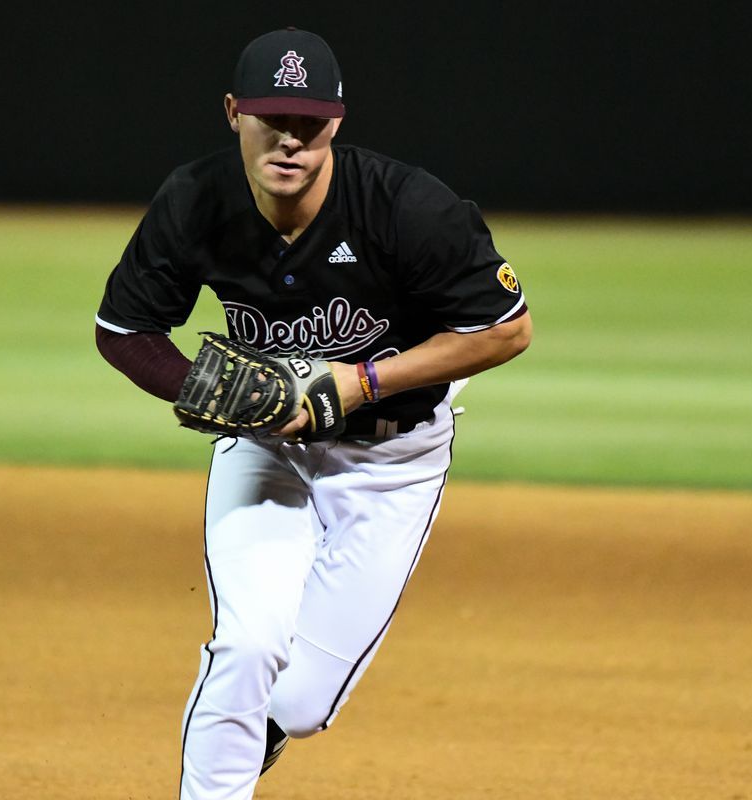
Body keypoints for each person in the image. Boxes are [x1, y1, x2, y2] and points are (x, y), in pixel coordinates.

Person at [95, 28, 532, 800]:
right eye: (271, 118)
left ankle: (259, 731)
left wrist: (358, 382)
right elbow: (124, 330)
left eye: (309, 122)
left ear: (337, 122)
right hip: (268, 452)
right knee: (246, 645)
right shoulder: (196, 200)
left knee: (296, 707)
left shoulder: (408, 208)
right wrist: (206, 388)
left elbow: (505, 328)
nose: (289, 139)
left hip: (394, 464)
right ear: (234, 113)